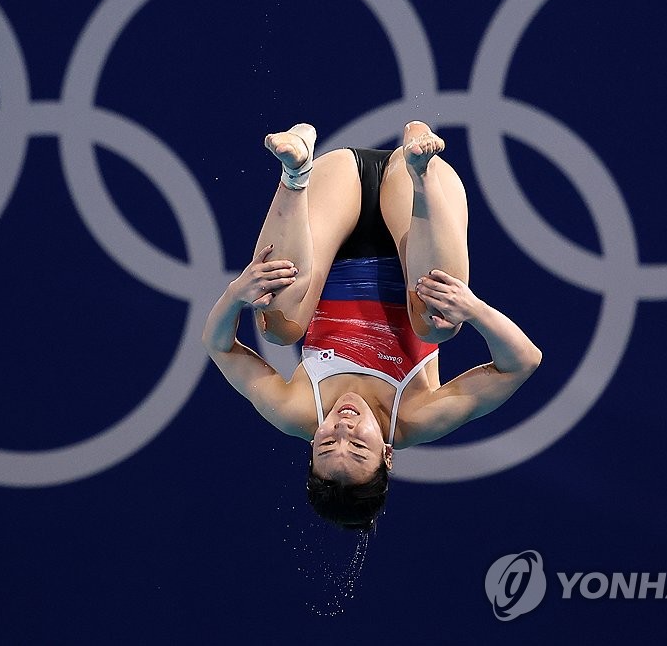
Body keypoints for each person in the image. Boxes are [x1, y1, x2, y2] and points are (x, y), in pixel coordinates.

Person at [202, 121, 542, 530]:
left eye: (328, 441)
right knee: (439, 323)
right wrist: (472, 308)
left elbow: (219, 346)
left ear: (311, 447)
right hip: (417, 209)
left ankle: (294, 175)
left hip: (337, 193)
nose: (343, 427)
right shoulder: (417, 417)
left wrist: (236, 293)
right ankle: (419, 168)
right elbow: (522, 362)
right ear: (387, 453)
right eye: (358, 444)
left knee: (277, 326)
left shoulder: (294, 410)